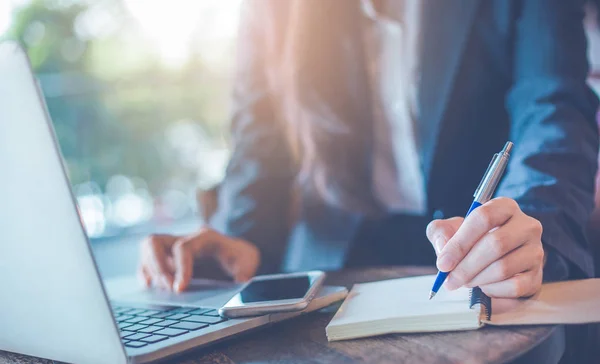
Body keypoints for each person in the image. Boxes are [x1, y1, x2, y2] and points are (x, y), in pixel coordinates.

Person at [139, 0, 599, 299]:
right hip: (329, 268)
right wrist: (240, 237)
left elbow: (553, 110)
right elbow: (261, 135)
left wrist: (531, 224)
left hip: (477, 257)